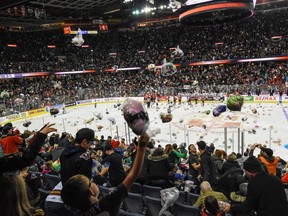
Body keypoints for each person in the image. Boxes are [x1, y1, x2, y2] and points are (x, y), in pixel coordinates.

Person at [61, 132, 150, 215]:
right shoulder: (107, 202)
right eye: (90, 182)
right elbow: (133, 174)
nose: (93, 182)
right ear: (90, 191)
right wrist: (141, 148)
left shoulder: (75, 211)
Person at [223, 156, 288, 216]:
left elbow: (246, 208)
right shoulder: (275, 179)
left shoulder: (254, 184)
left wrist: (231, 206)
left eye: (245, 171)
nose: (245, 173)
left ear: (250, 171)